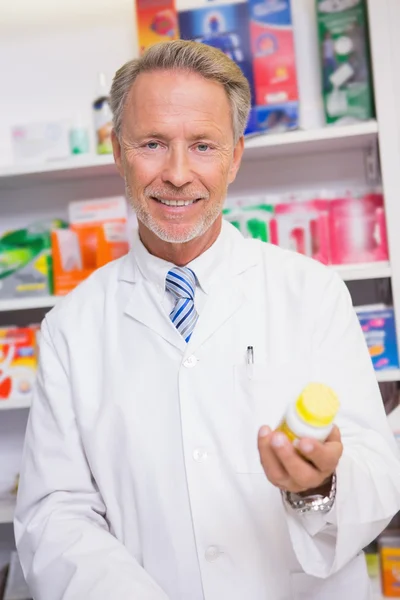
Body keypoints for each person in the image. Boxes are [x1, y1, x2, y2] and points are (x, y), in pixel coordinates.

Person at [15, 40, 400, 600]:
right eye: (152, 144)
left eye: (202, 145)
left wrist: (319, 486)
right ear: (118, 153)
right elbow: (56, 513)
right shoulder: (71, 328)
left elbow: (377, 467)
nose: (177, 174)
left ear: (235, 156)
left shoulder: (311, 291)